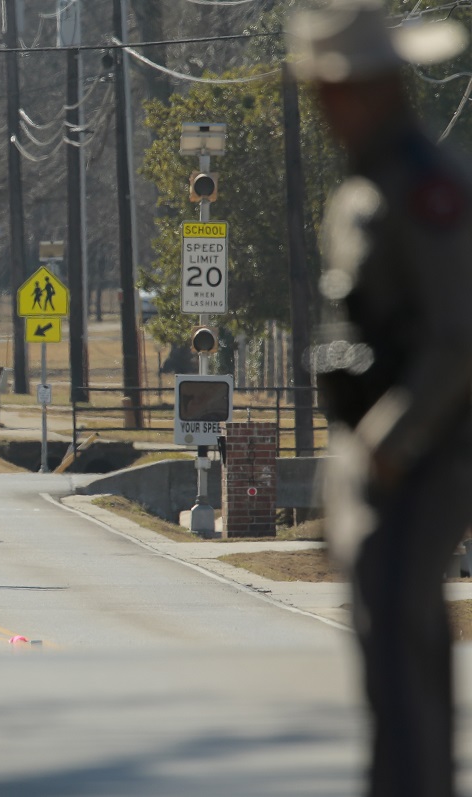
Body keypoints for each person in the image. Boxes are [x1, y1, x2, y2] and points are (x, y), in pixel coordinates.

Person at [288, 3, 472, 795]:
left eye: (331, 90)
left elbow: (460, 335)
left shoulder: (427, 188)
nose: (322, 108)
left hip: (423, 455)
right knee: (390, 660)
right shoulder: (377, 179)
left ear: (366, 89)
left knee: (402, 661)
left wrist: (393, 444)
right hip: (384, 454)